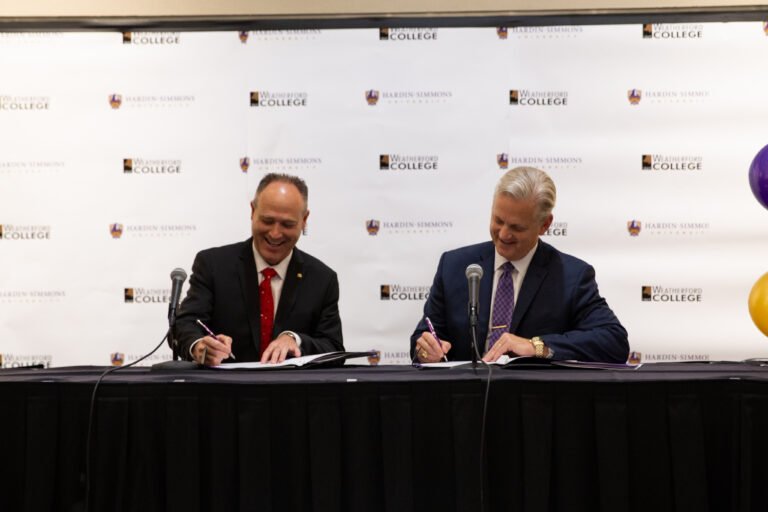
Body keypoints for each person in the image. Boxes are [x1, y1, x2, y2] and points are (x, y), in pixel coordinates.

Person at [410, 166, 628, 364]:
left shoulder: (572, 276)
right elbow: (423, 338)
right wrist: (426, 350)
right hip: (466, 399)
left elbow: (614, 341)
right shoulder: (455, 266)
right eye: (498, 221)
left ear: (545, 224)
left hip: (534, 400)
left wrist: (536, 346)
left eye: (517, 227)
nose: (504, 234)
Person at [174, 173, 344, 365]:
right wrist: (199, 346)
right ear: (252, 211)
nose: (275, 233)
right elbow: (184, 324)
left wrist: (294, 340)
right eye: (267, 221)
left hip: (292, 392)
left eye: (287, 224)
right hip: (223, 392)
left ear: (304, 220)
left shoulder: (322, 279)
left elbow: (334, 349)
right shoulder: (213, 265)